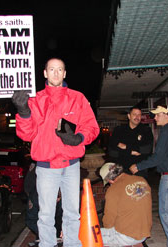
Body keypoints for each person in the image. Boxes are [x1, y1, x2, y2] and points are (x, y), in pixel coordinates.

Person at [12, 57, 100, 247]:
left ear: (65, 73)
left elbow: (92, 126)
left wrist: (79, 138)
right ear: (45, 73)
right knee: (45, 214)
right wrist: (23, 111)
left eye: (60, 69)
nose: (56, 73)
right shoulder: (35, 100)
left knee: (72, 213)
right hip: (46, 167)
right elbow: (27, 134)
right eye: (52, 69)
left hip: (71, 165)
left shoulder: (78, 98)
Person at [129, 105, 168, 247]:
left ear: (165, 115)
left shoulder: (167, 132)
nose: (154, 118)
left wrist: (138, 166)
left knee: (167, 214)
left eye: (157, 115)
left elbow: (158, 157)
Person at [99, 162, 152, 246]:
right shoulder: (141, 180)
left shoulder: (113, 189)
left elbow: (109, 220)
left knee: (88, 237)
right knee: (98, 232)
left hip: (126, 237)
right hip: (144, 233)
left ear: (109, 180)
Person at [107, 106, 153, 178]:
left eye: (139, 115)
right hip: (121, 171)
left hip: (139, 170)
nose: (137, 117)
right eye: (134, 114)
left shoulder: (146, 130)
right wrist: (132, 151)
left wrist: (125, 147)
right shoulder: (119, 130)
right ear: (129, 116)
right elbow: (112, 152)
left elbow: (146, 149)